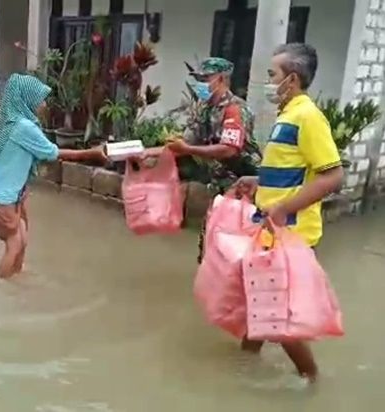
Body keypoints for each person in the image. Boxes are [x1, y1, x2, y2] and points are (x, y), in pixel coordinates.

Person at [233, 43, 344, 382]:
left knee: (277, 317)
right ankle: (244, 365)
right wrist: (257, 181)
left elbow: (333, 175)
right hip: (272, 232)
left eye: (272, 75)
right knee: (260, 305)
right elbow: (292, 170)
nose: (268, 82)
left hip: (292, 236)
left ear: (291, 79)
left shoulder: (307, 117)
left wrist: (284, 208)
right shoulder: (289, 115)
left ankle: (310, 381)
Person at [0, 73, 107, 279]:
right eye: (40, 100)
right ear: (27, 100)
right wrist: (91, 153)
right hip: (1, 198)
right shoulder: (23, 127)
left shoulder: (11, 122)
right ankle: (0, 288)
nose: (44, 105)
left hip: (6, 195)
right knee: (14, 244)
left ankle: (16, 282)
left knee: (22, 240)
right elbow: (53, 153)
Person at [142, 57, 262, 262]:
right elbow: (184, 144)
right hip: (218, 185)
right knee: (211, 244)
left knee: (241, 246)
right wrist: (148, 153)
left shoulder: (235, 109)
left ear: (222, 79)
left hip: (245, 185)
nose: (201, 84)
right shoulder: (202, 109)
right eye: (199, 78)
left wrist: (187, 148)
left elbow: (229, 150)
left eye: (206, 78)